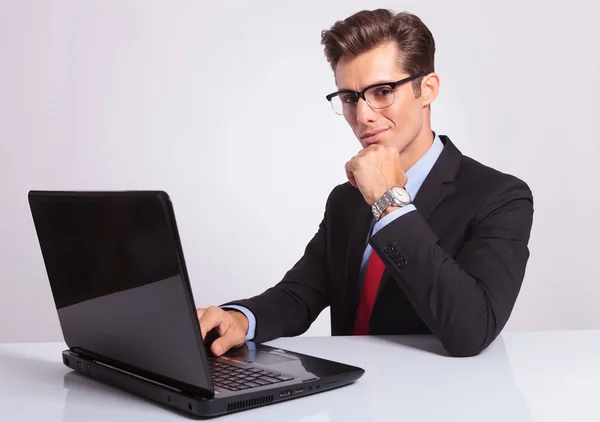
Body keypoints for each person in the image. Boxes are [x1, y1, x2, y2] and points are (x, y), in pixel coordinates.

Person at [196, 9, 534, 358]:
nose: (363, 116)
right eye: (349, 98)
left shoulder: (499, 197)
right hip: (348, 399)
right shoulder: (346, 199)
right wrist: (240, 319)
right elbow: (300, 294)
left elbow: (472, 330)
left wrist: (389, 203)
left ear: (428, 89)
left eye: (383, 91)